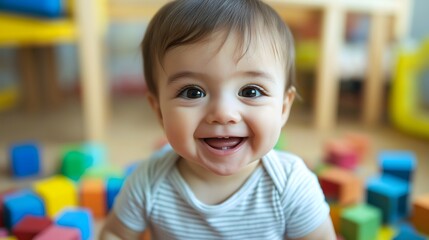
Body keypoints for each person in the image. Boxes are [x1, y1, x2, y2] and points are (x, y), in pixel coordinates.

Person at [100, 0, 335, 239]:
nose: (223, 113)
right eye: (193, 92)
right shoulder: (148, 182)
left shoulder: (291, 185)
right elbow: (114, 234)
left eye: (250, 91)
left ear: (283, 108)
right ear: (159, 110)